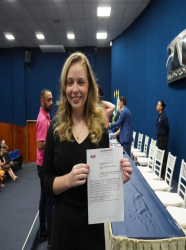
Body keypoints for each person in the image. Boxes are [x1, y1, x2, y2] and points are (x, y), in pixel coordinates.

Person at [41, 52, 132, 250]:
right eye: (70, 82)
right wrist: (68, 180)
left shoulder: (100, 129)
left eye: (80, 82)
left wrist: (117, 177)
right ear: (64, 87)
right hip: (63, 226)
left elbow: (102, 184)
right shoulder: (55, 128)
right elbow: (46, 180)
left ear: (89, 85)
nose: (75, 89)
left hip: (93, 228)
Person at [36, 88, 54, 248]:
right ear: (42, 101)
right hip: (43, 165)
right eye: (48, 100)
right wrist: (55, 142)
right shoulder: (42, 120)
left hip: (42, 164)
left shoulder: (46, 117)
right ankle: (50, 238)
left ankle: (42, 231)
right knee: (49, 201)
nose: (52, 102)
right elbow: (40, 144)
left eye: (52, 99)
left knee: (43, 199)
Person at [156, 100, 170, 180]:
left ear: (161, 107)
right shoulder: (159, 116)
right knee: (161, 156)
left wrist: (165, 135)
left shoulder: (164, 117)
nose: (156, 106)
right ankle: (161, 173)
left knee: (164, 157)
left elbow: (167, 127)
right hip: (159, 138)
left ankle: (163, 175)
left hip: (163, 139)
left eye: (158, 105)